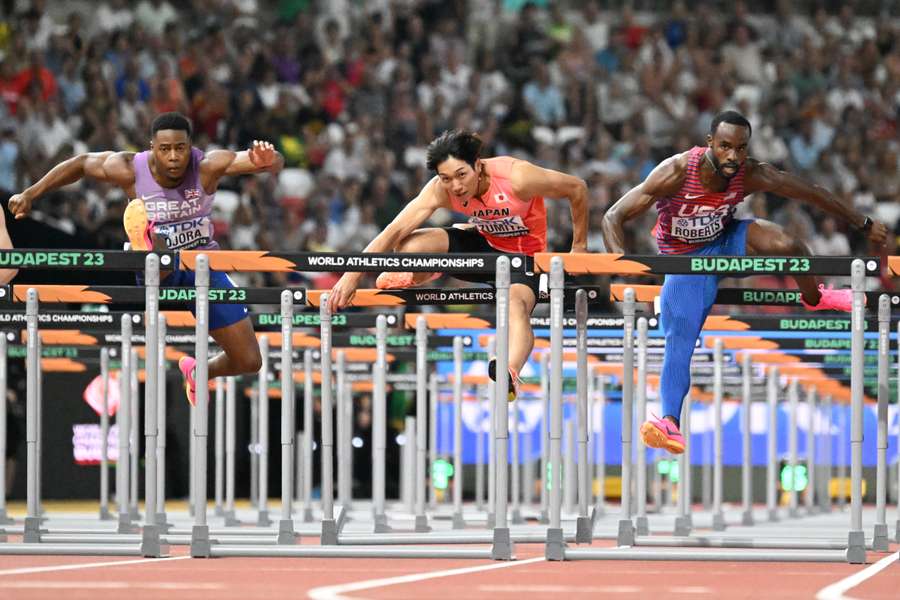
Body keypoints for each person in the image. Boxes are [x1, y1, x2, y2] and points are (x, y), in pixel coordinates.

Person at [601, 110, 887, 454]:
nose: (733, 157)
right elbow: (613, 216)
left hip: (728, 241)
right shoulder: (677, 171)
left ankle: (814, 297)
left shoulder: (750, 172)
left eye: (740, 148)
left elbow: (810, 192)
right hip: (685, 260)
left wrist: (861, 222)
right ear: (709, 143)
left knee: (791, 246)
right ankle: (670, 423)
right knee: (681, 337)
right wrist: (623, 266)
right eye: (725, 147)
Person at [8, 112, 284, 404]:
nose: (174, 157)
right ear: (152, 147)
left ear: (190, 147)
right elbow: (81, 163)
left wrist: (268, 159)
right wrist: (30, 193)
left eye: (180, 148)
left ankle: (197, 371)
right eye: (165, 149)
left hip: (202, 266)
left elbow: (269, 161)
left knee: (250, 360)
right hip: (156, 266)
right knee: (160, 255)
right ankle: (146, 240)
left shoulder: (206, 166)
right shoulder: (129, 168)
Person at [327, 129, 589, 400]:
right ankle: (428, 270)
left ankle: (508, 370)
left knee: (515, 308)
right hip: (481, 249)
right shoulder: (441, 189)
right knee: (407, 245)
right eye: (446, 179)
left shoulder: (517, 177)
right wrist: (351, 276)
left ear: (478, 164)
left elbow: (577, 187)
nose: (456, 186)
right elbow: (393, 229)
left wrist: (579, 247)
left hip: (524, 260)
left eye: (461, 175)